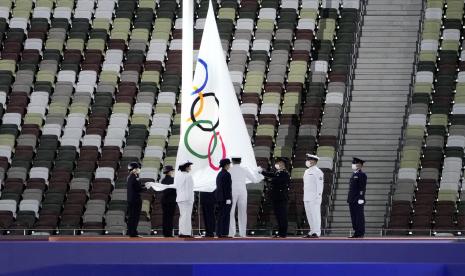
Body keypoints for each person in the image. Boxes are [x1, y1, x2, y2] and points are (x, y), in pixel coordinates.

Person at [146, 161, 195, 238]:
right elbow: (189, 188)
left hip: (180, 199)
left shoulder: (179, 176)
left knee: (183, 216)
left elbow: (173, 186)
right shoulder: (188, 176)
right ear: (186, 167)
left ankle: (183, 232)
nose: (190, 167)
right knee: (186, 216)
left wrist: (154, 184)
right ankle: (186, 233)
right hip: (187, 199)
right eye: (189, 166)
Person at [228, 157, 263, 237]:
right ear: (240, 161)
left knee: (231, 212)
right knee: (243, 212)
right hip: (243, 191)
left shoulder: (229, 169)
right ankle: (243, 233)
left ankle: (231, 233)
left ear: (232, 161)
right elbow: (255, 180)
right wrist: (259, 173)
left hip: (232, 191)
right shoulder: (245, 169)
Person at [261, 157, 290, 238]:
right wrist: (262, 172)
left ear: (283, 164)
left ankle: (283, 233)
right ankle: (280, 233)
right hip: (276, 198)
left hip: (281, 198)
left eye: (279, 162)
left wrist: (266, 180)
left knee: (282, 215)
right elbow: (270, 174)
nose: (277, 164)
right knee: (278, 215)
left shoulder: (284, 173)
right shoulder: (278, 172)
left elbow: (277, 180)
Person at [303, 154, 324, 238]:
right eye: (307, 159)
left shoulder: (318, 171)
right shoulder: (306, 171)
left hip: (314, 197)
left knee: (315, 215)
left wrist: (319, 197)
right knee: (309, 215)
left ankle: (317, 232)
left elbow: (320, 185)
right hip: (307, 196)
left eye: (309, 160)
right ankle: (312, 231)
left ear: (314, 161)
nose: (308, 161)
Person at [347, 157, 367, 238]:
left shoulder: (362, 175)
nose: (354, 165)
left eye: (355, 163)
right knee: (354, 217)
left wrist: (361, 198)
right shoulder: (354, 174)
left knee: (359, 216)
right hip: (352, 199)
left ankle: (360, 233)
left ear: (360, 165)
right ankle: (356, 232)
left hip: (358, 199)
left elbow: (362, 187)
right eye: (353, 163)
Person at [216, 158, 232, 238]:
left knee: (220, 215)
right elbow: (227, 188)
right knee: (225, 215)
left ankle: (220, 232)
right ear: (226, 165)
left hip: (220, 198)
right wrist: (228, 198)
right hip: (225, 198)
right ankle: (224, 232)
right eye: (229, 164)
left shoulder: (219, 174)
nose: (230, 165)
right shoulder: (227, 174)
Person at [126, 162, 144, 238]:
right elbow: (138, 189)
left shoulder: (129, 177)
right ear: (133, 169)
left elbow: (136, 186)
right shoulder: (135, 177)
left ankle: (130, 231)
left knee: (131, 216)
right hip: (135, 200)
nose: (138, 169)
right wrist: (146, 187)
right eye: (137, 168)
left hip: (131, 199)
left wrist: (143, 185)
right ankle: (133, 232)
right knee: (135, 217)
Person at [160, 165, 176, 237]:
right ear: (169, 171)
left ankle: (165, 233)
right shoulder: (173, 180)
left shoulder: (163, 180)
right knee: (170, 217)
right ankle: (169, 233)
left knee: (165, 217)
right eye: (172, 171)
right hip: (171, 201)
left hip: (164, 201)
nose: (172, 172)